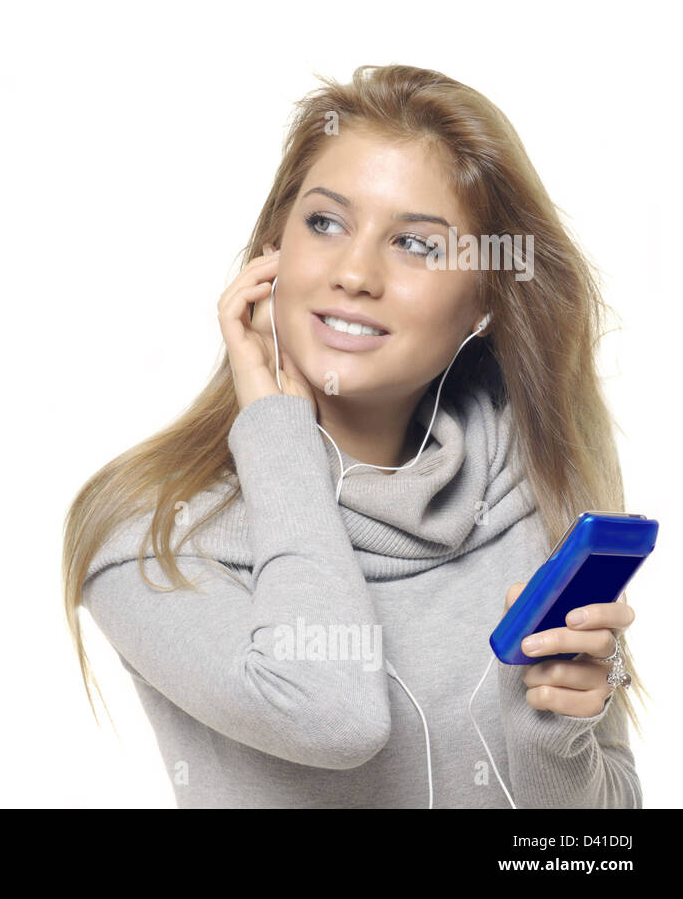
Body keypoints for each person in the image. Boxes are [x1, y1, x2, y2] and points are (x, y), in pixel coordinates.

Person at [61, 64, 645, 808]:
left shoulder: (532, 484)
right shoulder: (150, 534)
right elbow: (334, 715)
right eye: (326, 222)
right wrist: (277, 433)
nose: (354, 272)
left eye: (418, 245)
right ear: (271, 251)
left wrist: (548, 728)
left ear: (483, 303)